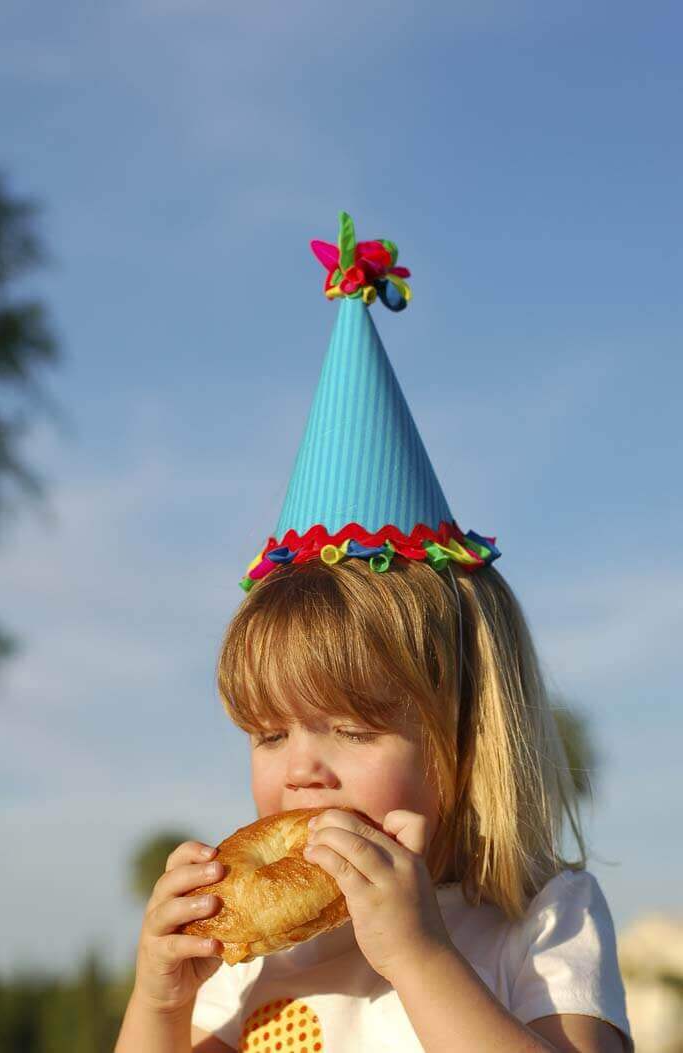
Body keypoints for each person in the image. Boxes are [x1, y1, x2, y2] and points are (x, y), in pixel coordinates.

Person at [115, 213, 633, 1053]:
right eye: (269, 731)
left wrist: (417, 956)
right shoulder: (252, 956)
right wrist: (161, 1005)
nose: (301, 768)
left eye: (352, 727)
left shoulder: (538, 919)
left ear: (466, 734)